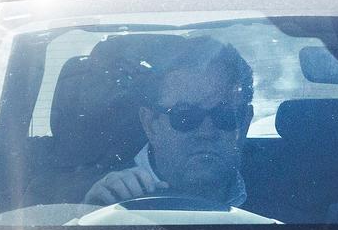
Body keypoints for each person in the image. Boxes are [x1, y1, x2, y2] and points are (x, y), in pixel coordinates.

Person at [84, 36, 254, 207]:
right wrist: (91, 214)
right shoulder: (107, 198)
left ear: (245, 122)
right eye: (185, 115)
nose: (206, 132)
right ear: (150, 124)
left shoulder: (278, 189)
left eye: (224, 115)